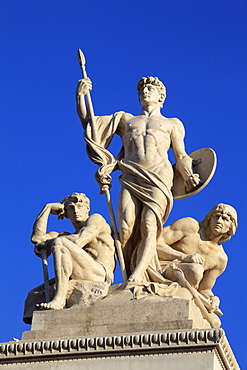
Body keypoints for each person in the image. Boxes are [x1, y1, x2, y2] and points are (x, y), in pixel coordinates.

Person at [76, 76, 200, 282]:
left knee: (149, 224)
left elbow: (181, 156)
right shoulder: (126, 120)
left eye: (150, 88)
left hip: (159, 176)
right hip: (131, 175)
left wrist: (189, 176)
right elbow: (91, 126)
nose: (144, 92)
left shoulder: (172, 123)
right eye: (142, 90)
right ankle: (126, 277)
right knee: (125, 228)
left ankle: (138, 275)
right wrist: (80, 96)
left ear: (161, 96)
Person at [31, 192, 115, 310]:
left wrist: (50, 243)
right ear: (65, 212)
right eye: (71, 208)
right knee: (34, 295)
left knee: (59, 242)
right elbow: (37, 238)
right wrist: (47, 208)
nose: (76, 211)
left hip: (100, 272)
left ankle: (59, 300)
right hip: (81, 271)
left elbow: (79, 240)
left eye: (80, 206)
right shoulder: (66, 236)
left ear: (87, 208)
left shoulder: (96, 219)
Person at [156, 203, 238, 313]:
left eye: (225, 219)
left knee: (215, 321)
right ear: (209, 218)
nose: (219, 221)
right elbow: (155, 243)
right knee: (196, 270)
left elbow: (204, 289)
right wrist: (184, 257)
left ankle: (184, 300)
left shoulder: (220, 259)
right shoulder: (190, 226)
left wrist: (213, 299)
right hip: (163, 270)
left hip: (188, 286)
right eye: (216, 216)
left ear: (230, 227)